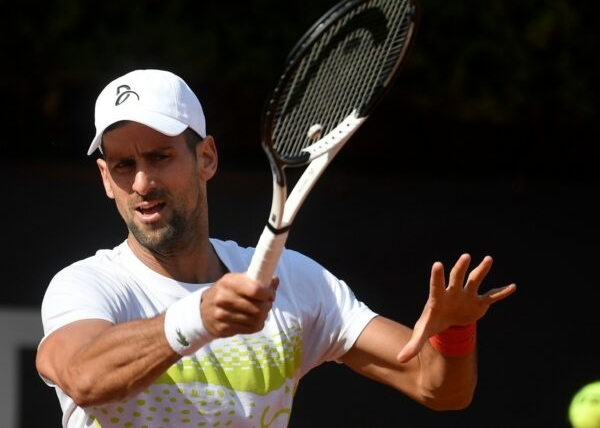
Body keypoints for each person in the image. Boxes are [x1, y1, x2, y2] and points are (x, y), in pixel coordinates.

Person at [36, 68, 517, 428]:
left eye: (160, 156)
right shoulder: (86, 286)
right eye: (122, 165)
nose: (141, 181)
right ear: (106, 178)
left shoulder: (297, 281)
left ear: (206, 158)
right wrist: (199, 316)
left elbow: (439, 389)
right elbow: (82, 375)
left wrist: (453, 332)